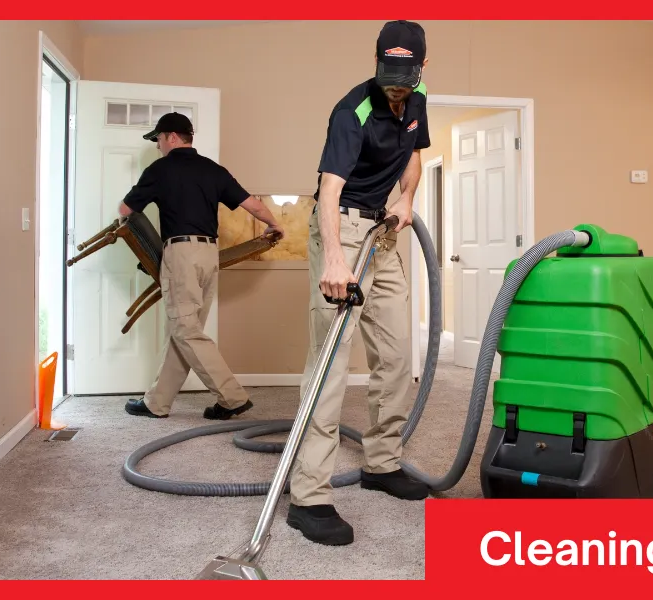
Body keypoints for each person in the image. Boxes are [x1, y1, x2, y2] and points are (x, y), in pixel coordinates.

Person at [285, 20, 431, 547]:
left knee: (396, 356)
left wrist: (406, 198)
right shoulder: (353, 110)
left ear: (421, 69)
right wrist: (334, 260)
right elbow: (329, 188)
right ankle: (308, 496)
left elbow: (414, 156)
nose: (396, 83)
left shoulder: (416, 101)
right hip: (342, 225)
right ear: (375, 61)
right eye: (388, 72)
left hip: (385, 230)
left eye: (405, 74)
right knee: (330, 363)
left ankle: (382, 462)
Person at [119, 112, 284, 421]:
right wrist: (275, 224)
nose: (157, 146)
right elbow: (254, 205)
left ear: (171, 136)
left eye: (158, 140)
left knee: (186, 330)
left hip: (181, 254)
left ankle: (232, 397)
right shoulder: (213, 170)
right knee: (187, 331)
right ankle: (157, 402)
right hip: (210, 255)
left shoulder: (159, 169)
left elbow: (126, 210)